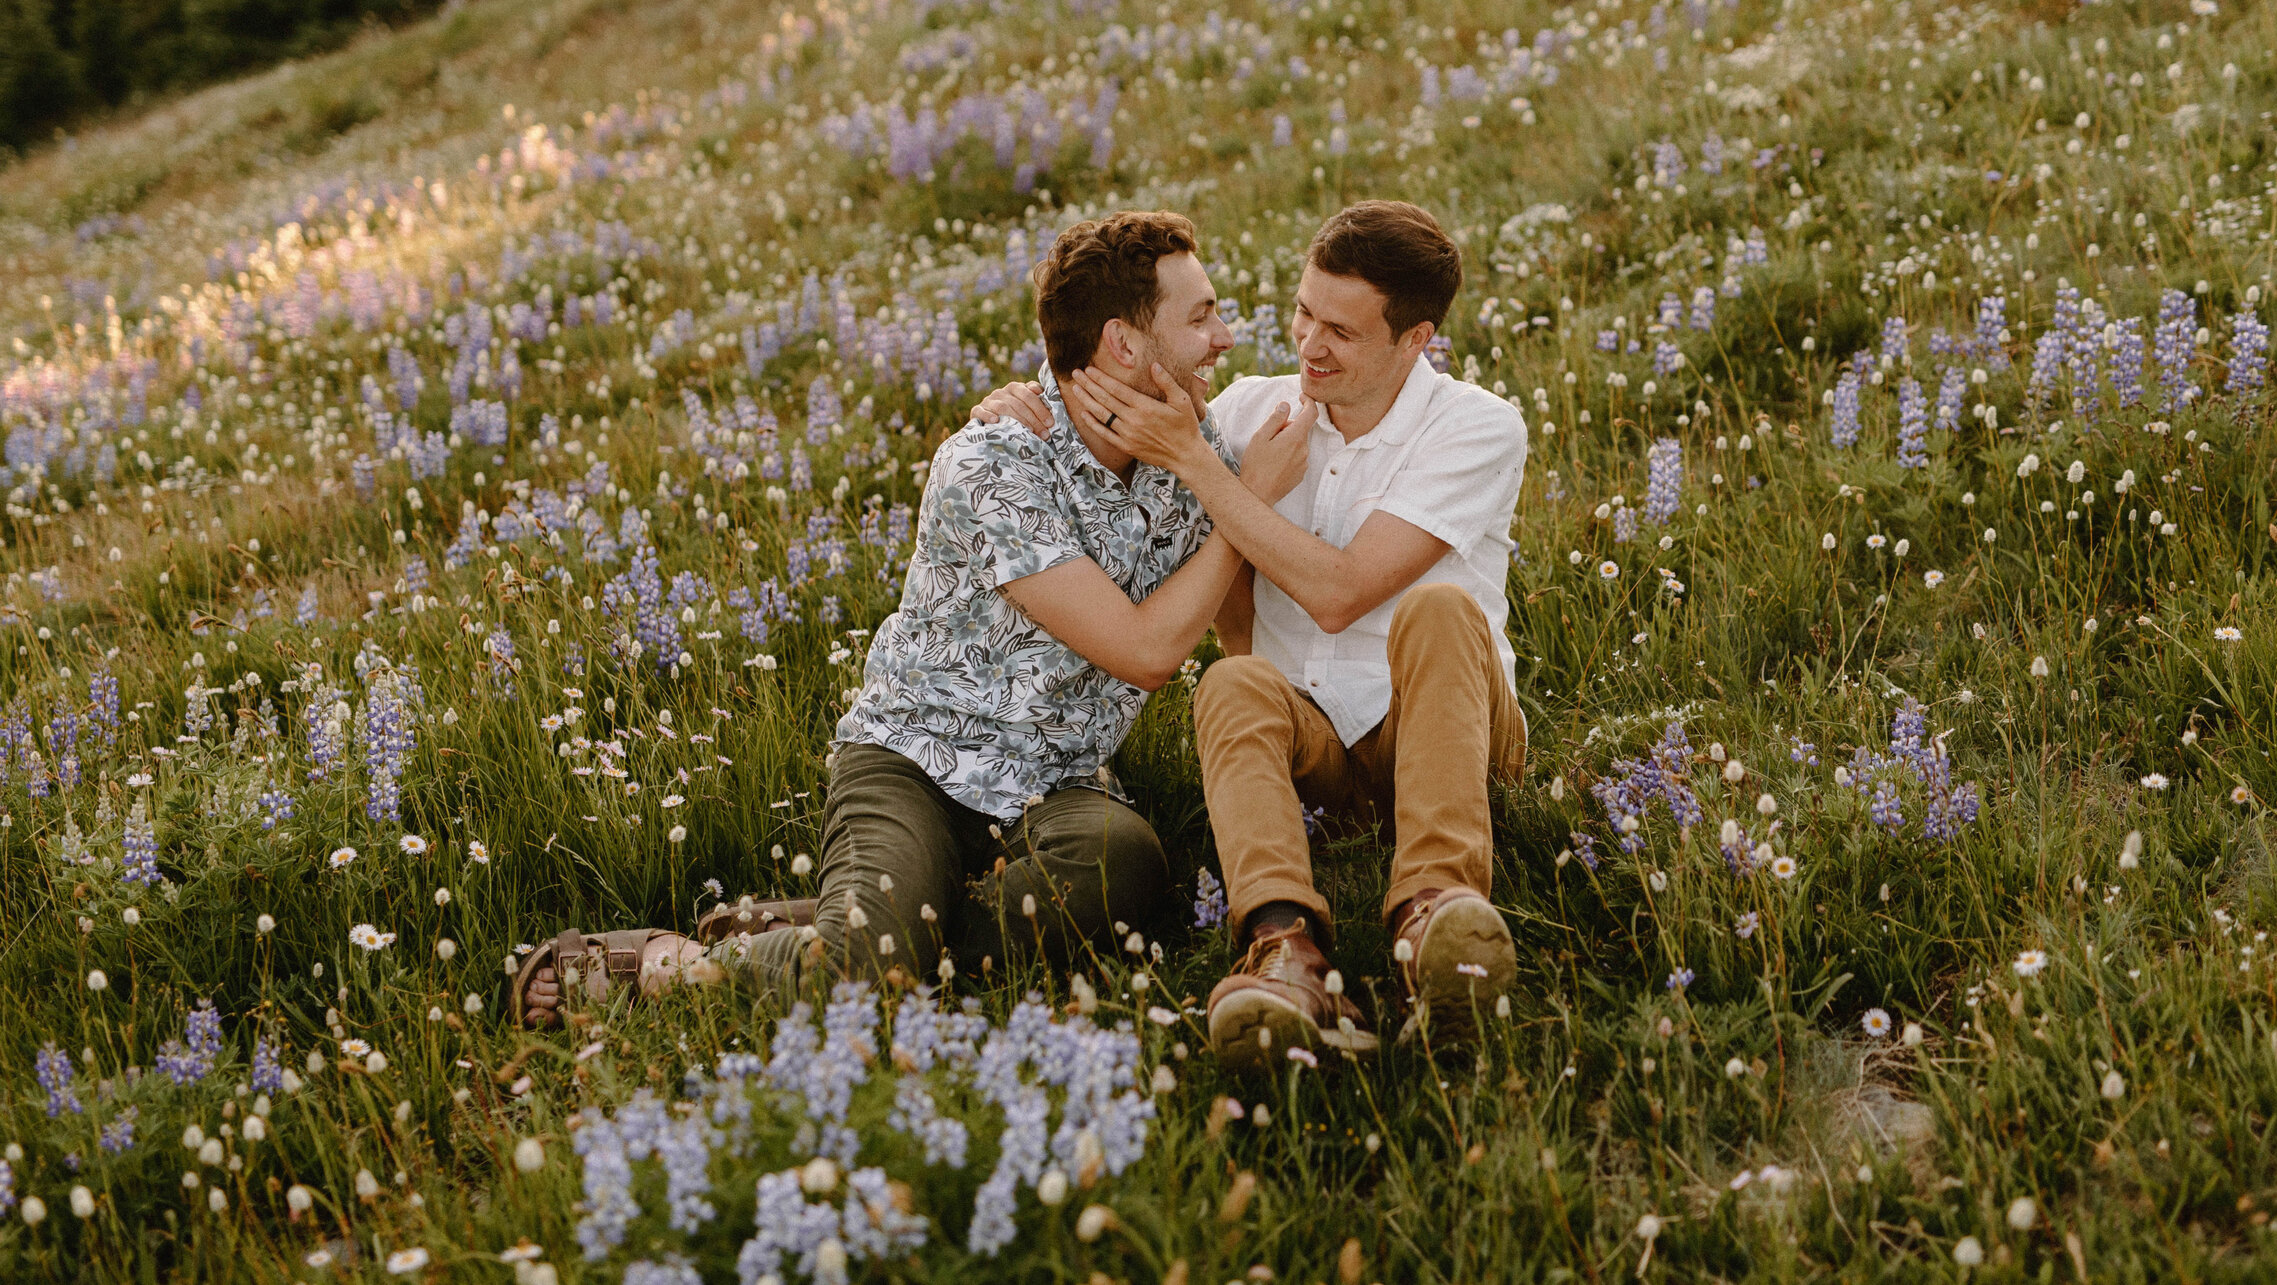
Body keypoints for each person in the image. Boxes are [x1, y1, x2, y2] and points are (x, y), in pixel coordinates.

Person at [509, 210, 1315, 1027]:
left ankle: (837, 930)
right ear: (1123, 344)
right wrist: (1244, 505)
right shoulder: (995, 461)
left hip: (1057, 785)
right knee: (863, 981)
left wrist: (1218, 487)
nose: (1224, 335)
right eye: (1202, 314)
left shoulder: (1191, 447)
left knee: (1127, 867)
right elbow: (1145, 653)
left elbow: (1232, 606)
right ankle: (675, 965)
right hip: (917, 763)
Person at [976, 201, 1528, 1067]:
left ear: (1414, 340)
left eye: (1341, 331)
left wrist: (1201, 465)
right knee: (1229, 681)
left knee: (1438, 606)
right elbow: (1106, 380)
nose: (1308, 344)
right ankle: (1284, 949)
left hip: (1445, 727)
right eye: (1305, 312)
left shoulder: (1476, 426)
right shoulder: (1247, 411)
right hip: (1315, 748)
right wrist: (1018, 402)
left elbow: (1341, 593)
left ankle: (1437, 920)